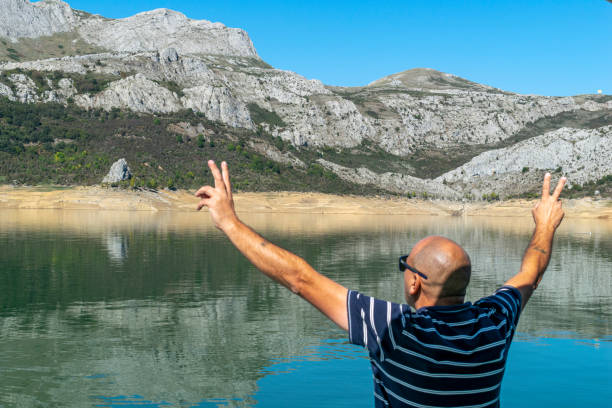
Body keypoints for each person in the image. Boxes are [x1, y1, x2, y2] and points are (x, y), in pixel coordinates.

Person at [195, 160, 566, 408]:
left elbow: (300, 278)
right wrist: (545, 223)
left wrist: (229, 221)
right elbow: (531, 272)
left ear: (415, 284)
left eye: (405, 264)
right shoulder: (496, 323)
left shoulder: (395, 329)